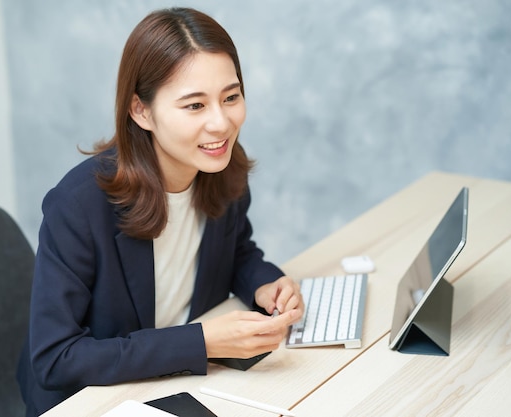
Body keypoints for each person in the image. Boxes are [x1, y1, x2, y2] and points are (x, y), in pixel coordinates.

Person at [16, 6, 304, 416]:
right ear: (141, 111)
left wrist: (264, 282)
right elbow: (55, 358)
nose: (221, 123)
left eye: (231, 97)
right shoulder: (78, 206)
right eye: (194, 106)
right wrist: (201, 342)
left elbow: (236, 251)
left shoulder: (220, 165)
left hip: (178, 385)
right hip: (92, 402)